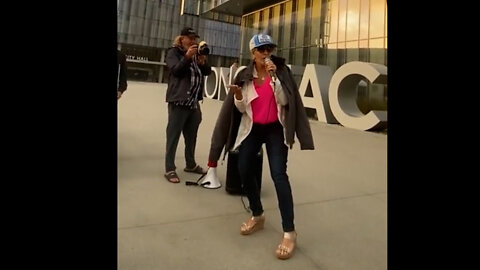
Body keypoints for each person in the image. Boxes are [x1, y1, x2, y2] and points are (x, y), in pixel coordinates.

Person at [206, 33, 314, 259]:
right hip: (254, 128)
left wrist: (274, 80)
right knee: (243, 167)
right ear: (252, 53)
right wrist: (236, 95)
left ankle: (289, 231)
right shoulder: (244, 75)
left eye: (269, 49)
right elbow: (243, 108)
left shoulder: (281, 72)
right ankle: (257, 214)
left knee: (279, 175)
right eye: (261, 49)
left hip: (276, 129)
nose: (266, 53)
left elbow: (285, 102)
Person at [163, 27, 211, 183]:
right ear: (181, 38)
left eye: (194, 38)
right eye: (190, 38)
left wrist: (203, 63)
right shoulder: (173, 53)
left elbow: (206, 72)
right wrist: (187, 57)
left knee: (192, 136)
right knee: (173, 136)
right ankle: (169, 168)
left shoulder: (196, 54)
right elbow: (176, 71)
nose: (193, 41)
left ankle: (190, 164)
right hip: (179, 100)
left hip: (194, 102)